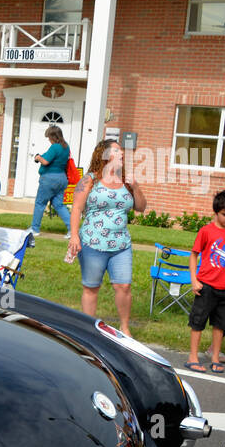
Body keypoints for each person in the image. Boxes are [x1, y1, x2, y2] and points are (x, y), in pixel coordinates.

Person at [68, 139, 147, 336]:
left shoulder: (126, 181)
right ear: (104, 155)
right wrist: (75, 236)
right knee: (91, 287)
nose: (122, 154)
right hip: (92, 243)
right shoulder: (90, 180)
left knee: (124, 285)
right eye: (117, 151)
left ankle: (125, 328)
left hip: (121, 244)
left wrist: (136, 188)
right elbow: (76, 208)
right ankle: (89, 328)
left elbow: (141, 207)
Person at [185, 190, 225, 373]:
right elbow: (193, 255)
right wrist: (194, 280)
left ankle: (215, 357)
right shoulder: (206, 231)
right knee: (198, 322)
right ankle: (193, 357)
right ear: (216, 212)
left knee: (221, 324)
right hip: (206, 286)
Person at [29, 124, 72, 245]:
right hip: (62, 179)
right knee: (59, 205)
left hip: (49, 179)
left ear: (53, 136)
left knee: (40, 203)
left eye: (49, 136)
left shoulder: (55, 147)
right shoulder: (66, 147)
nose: (48, 139)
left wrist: (38, 157)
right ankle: (72, 230)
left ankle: (35, 229)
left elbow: (46, 161)